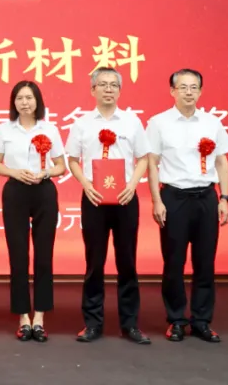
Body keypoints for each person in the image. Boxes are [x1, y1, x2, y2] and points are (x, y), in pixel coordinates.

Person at [64, 68, 151, 344]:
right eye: (102, 84)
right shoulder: (81, 124)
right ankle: (92, 323)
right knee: (94, 263)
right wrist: (86, 184)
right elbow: (72, 160)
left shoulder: (132, 122)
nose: (109, 89)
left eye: (114, 85)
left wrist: (132, 185)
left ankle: (130, 324)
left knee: (128, 262)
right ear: (93, 90)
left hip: (125, 198)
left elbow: (143, 158)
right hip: (94, 199)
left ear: (120, 90)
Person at [147, 68, 228, 343]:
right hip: (174, 198)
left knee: (205, 262)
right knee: (173, 262)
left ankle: (201, 321)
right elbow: (151, 163)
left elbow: (222, 162)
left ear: (200, 91)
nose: (188, 92)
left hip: (206, 197)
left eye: (194, 87)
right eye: (182, 87)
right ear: (172, 91)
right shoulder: (158, 123)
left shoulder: (212, 123)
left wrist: (224, 198)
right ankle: (176, 320)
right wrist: (157, 200)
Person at [0, 80, 66, 342]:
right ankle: (23, 317)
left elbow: (61, 166)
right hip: (15, 192)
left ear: (37, 101)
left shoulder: (50, 129)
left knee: (44, 256)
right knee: (18, 255)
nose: (25, 102)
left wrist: (46, 172)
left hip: (44, 192)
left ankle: (40, 318)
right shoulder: (4, 129)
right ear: (14, 102)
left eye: (29, 98)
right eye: (20, 98)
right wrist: (14, 172)